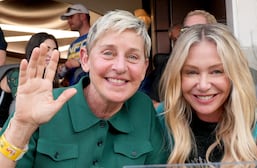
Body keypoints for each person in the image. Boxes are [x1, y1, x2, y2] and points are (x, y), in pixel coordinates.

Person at [0, 10, 168, 167]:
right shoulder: (44, 105)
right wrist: (21, 127)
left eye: (132, 57)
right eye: (108, 53)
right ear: (85, 59)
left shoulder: (144, 109)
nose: (120, 67)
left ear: (144, 68)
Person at [158, 24, 257, 167]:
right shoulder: (164, 115)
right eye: (191, 72)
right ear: (178, 76)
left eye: (216, 71)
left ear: (236, 75)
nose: (203, 85)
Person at [0, 32, 60, 129]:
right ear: (34, 50)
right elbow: (19, 107)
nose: (51, 54)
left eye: (54, 50)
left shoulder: (48, 80)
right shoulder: (18, 74)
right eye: (47, 49)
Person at [58, 3, 90, 86]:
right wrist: (64, 69)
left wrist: (79, 63)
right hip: (73, 90)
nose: (68, 21)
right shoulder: (72, 45)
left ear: (83, 16)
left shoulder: (96, 37)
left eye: (71, 17)